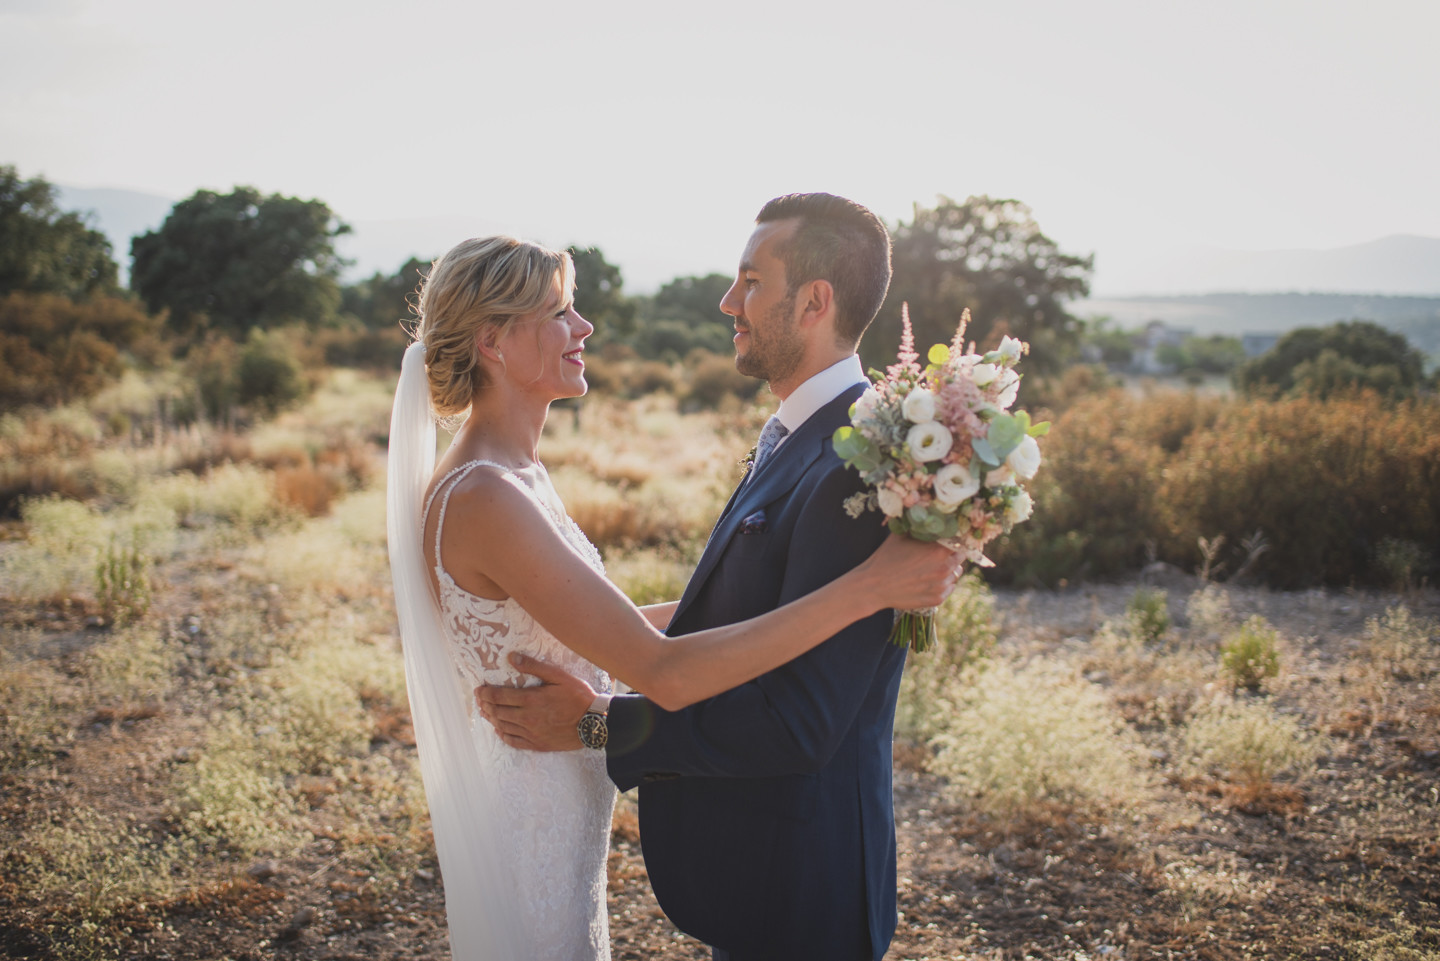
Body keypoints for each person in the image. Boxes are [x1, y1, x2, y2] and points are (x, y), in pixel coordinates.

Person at [385, 232, 958, 961]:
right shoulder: (486, 494)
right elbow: (662, 668)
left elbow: (610, 627)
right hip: (529, 808)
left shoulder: (512, 473)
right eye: (561, 311)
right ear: (493, 341)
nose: (584, 327)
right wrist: (870, 586)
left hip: (562, 799)